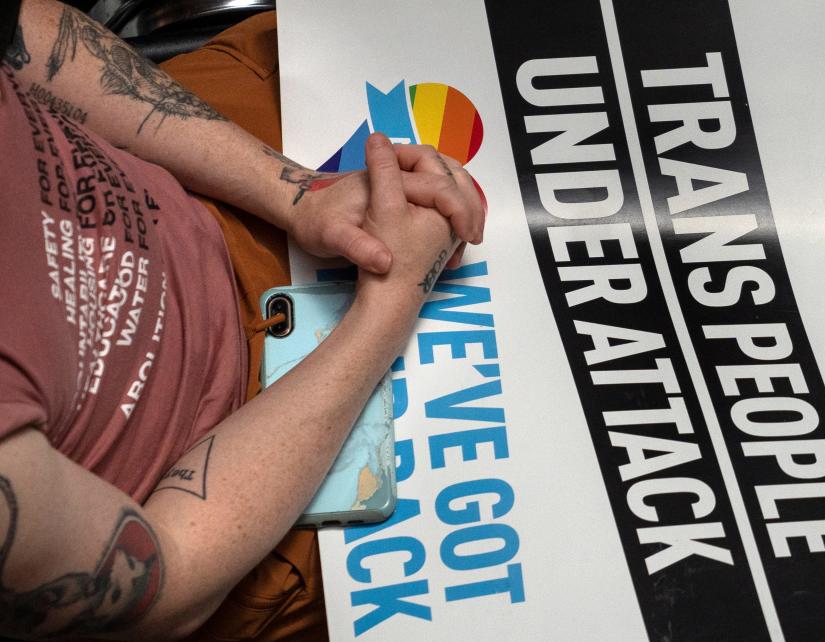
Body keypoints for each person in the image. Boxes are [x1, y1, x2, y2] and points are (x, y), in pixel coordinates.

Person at [0, 0, 485, 639]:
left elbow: (27, 42)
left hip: (198, 169)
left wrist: (298, 192)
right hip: (241, 491)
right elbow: (169, 582)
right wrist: (390, 304)